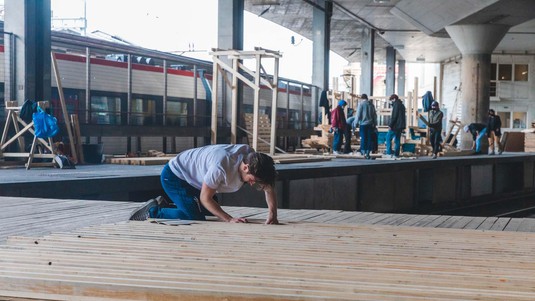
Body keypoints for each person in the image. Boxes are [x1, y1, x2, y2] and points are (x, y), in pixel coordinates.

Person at [130, 144, 278, 224]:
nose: (252, 184)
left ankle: (168, 205)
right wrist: (229, 219)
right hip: (176, 176)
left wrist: (273, 214)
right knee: (193, 217)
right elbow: (205, 198)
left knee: (208, 212)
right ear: (245, 167)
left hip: (198, 180)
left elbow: (268, 187)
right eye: (252, 179)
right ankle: (153, 211)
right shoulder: (221, 167)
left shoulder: (252, 158)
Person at [355, 94, 377, 159]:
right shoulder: (371, 105)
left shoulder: (361, 104)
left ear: (362, 98)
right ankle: (368, 153)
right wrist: (375, 124)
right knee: (369, 139)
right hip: (370, 124)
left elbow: (358, 115)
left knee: (363, 138)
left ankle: (363, 152)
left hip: (363, 124)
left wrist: (355, 123)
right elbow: (374, 116)